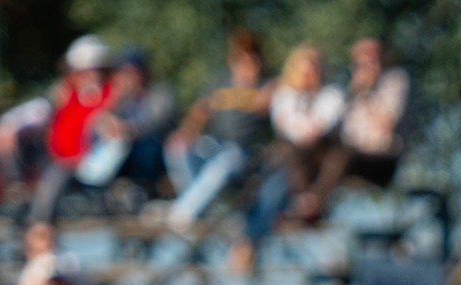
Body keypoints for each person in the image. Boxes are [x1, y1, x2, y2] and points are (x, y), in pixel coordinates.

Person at [242, 46, 345, 268]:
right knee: (273, 179)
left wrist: (304, 127)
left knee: (280, 166)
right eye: (304, 70)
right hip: (291, 163)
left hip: (319, 160)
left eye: (313, 69)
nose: (309, 75)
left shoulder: (331, 95)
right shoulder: (285, 95)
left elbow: (319, 126)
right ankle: (253, 238)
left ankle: (251, 240)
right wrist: (304, 127)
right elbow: (288, 125)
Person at [291, 38, 408, 222]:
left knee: (343, 155)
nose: (366, 68)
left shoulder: (395, 81)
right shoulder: (353, 90)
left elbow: (387, 124)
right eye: (360, 64)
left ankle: (313, 205)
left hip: (381, 159)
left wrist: (366, 93)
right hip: (352, 155)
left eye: (371, 61)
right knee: (302, 148)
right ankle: (299, 203)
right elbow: (341, 129)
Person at [165, 29, 270, 227]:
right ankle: (201, 207)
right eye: (242, 59)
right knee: (177, 148)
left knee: (224, 161)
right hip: (216, 143)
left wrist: (251, 92)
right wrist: (186, 133)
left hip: (245, 153)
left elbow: (267, 105)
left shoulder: (265, 84)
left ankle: (183, 212)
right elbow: (200, 110)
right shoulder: (220, 82)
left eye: (252, 58)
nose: (248, 64)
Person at [31, 36, 116, 224]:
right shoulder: (67, 94)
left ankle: (39, 225)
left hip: (90, 162)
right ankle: (38, 226)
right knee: (51, 179)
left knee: (56, 178)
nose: (91, 76)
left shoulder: (110, 94)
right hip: (64, 160)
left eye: (96, 70)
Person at [75, 50, 173, 202]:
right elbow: (102, 119)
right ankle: (92, 187)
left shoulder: (158, 92)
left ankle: (145, 188)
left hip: (154, 145)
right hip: (127, 146)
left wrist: (129, 128)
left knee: (145, 147)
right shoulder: (124, 97)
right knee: (106, 142)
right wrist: (109, 124)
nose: (129, 76)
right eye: (125, 72)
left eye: (133, 71)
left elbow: (158, 121)